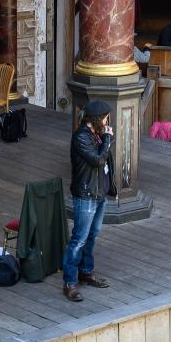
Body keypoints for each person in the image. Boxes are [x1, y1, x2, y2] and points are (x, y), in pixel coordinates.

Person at [63, 100, 115, 302]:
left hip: (99, 193)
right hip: (86, 195)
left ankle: (86, 272)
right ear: (97, 119)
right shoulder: (81, 138)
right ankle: (70, 282)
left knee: (92, 235)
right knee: (79, 239)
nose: (107, 120)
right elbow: (98, 160)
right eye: (105, 117)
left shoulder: (96, 134)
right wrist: (108, 139)